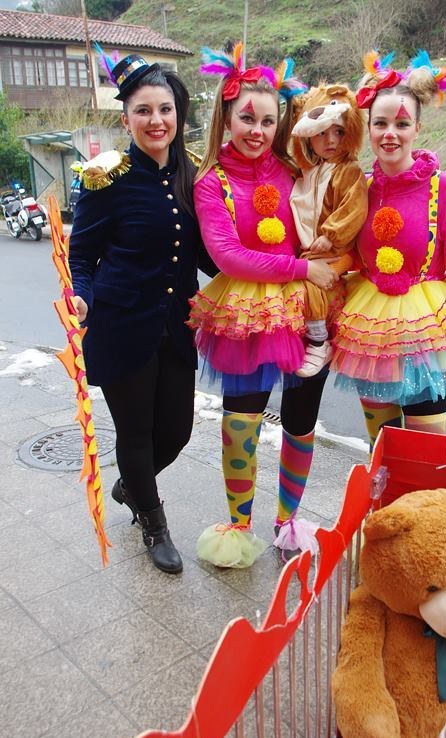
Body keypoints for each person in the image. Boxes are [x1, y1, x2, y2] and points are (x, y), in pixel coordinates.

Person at [187, 44, 338, 567]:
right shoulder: (211, 182)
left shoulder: (296, 172)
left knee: (300, 421)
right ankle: (239, 524)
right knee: (241, 422)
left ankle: (288, 521)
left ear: (280, 125)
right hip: (246, 315)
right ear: (227, 118)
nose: (257, 130)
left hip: (307, 312)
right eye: (247, 118)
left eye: (268, 121)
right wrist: (301, 269)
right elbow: (227, 256)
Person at [69, 52, 217, 574]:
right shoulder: (105, 178)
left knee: (176, 431)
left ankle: (133, 484)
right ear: (126, 118)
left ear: (178, 114)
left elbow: (206, 253)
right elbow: (81, 256)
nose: (157, 121)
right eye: (144, 111)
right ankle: (154, 524)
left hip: (176, 324)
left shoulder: (192, 172)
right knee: (134, 432)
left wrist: (256, 270)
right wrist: (80, 295)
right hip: (120, 325)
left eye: (165, 110)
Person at [331, 50, 446, 449]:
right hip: (372, 333)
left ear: (417, 127)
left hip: (427, 337)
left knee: (425, 452)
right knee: (382, 449)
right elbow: (347, 254)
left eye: (401, 124)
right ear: (368, 127)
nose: (390, 134)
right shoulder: (359, 189)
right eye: (380, 123)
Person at [289, 83, 368, 376]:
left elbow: (353, 208)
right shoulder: (310, 171)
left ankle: (318, 340)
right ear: (308, 138)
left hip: (336, 249)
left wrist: (330, 234)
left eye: (339, 131)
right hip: (313, 250)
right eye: (321, 132)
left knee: (313, 283)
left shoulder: (349, 171)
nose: (331, 140)